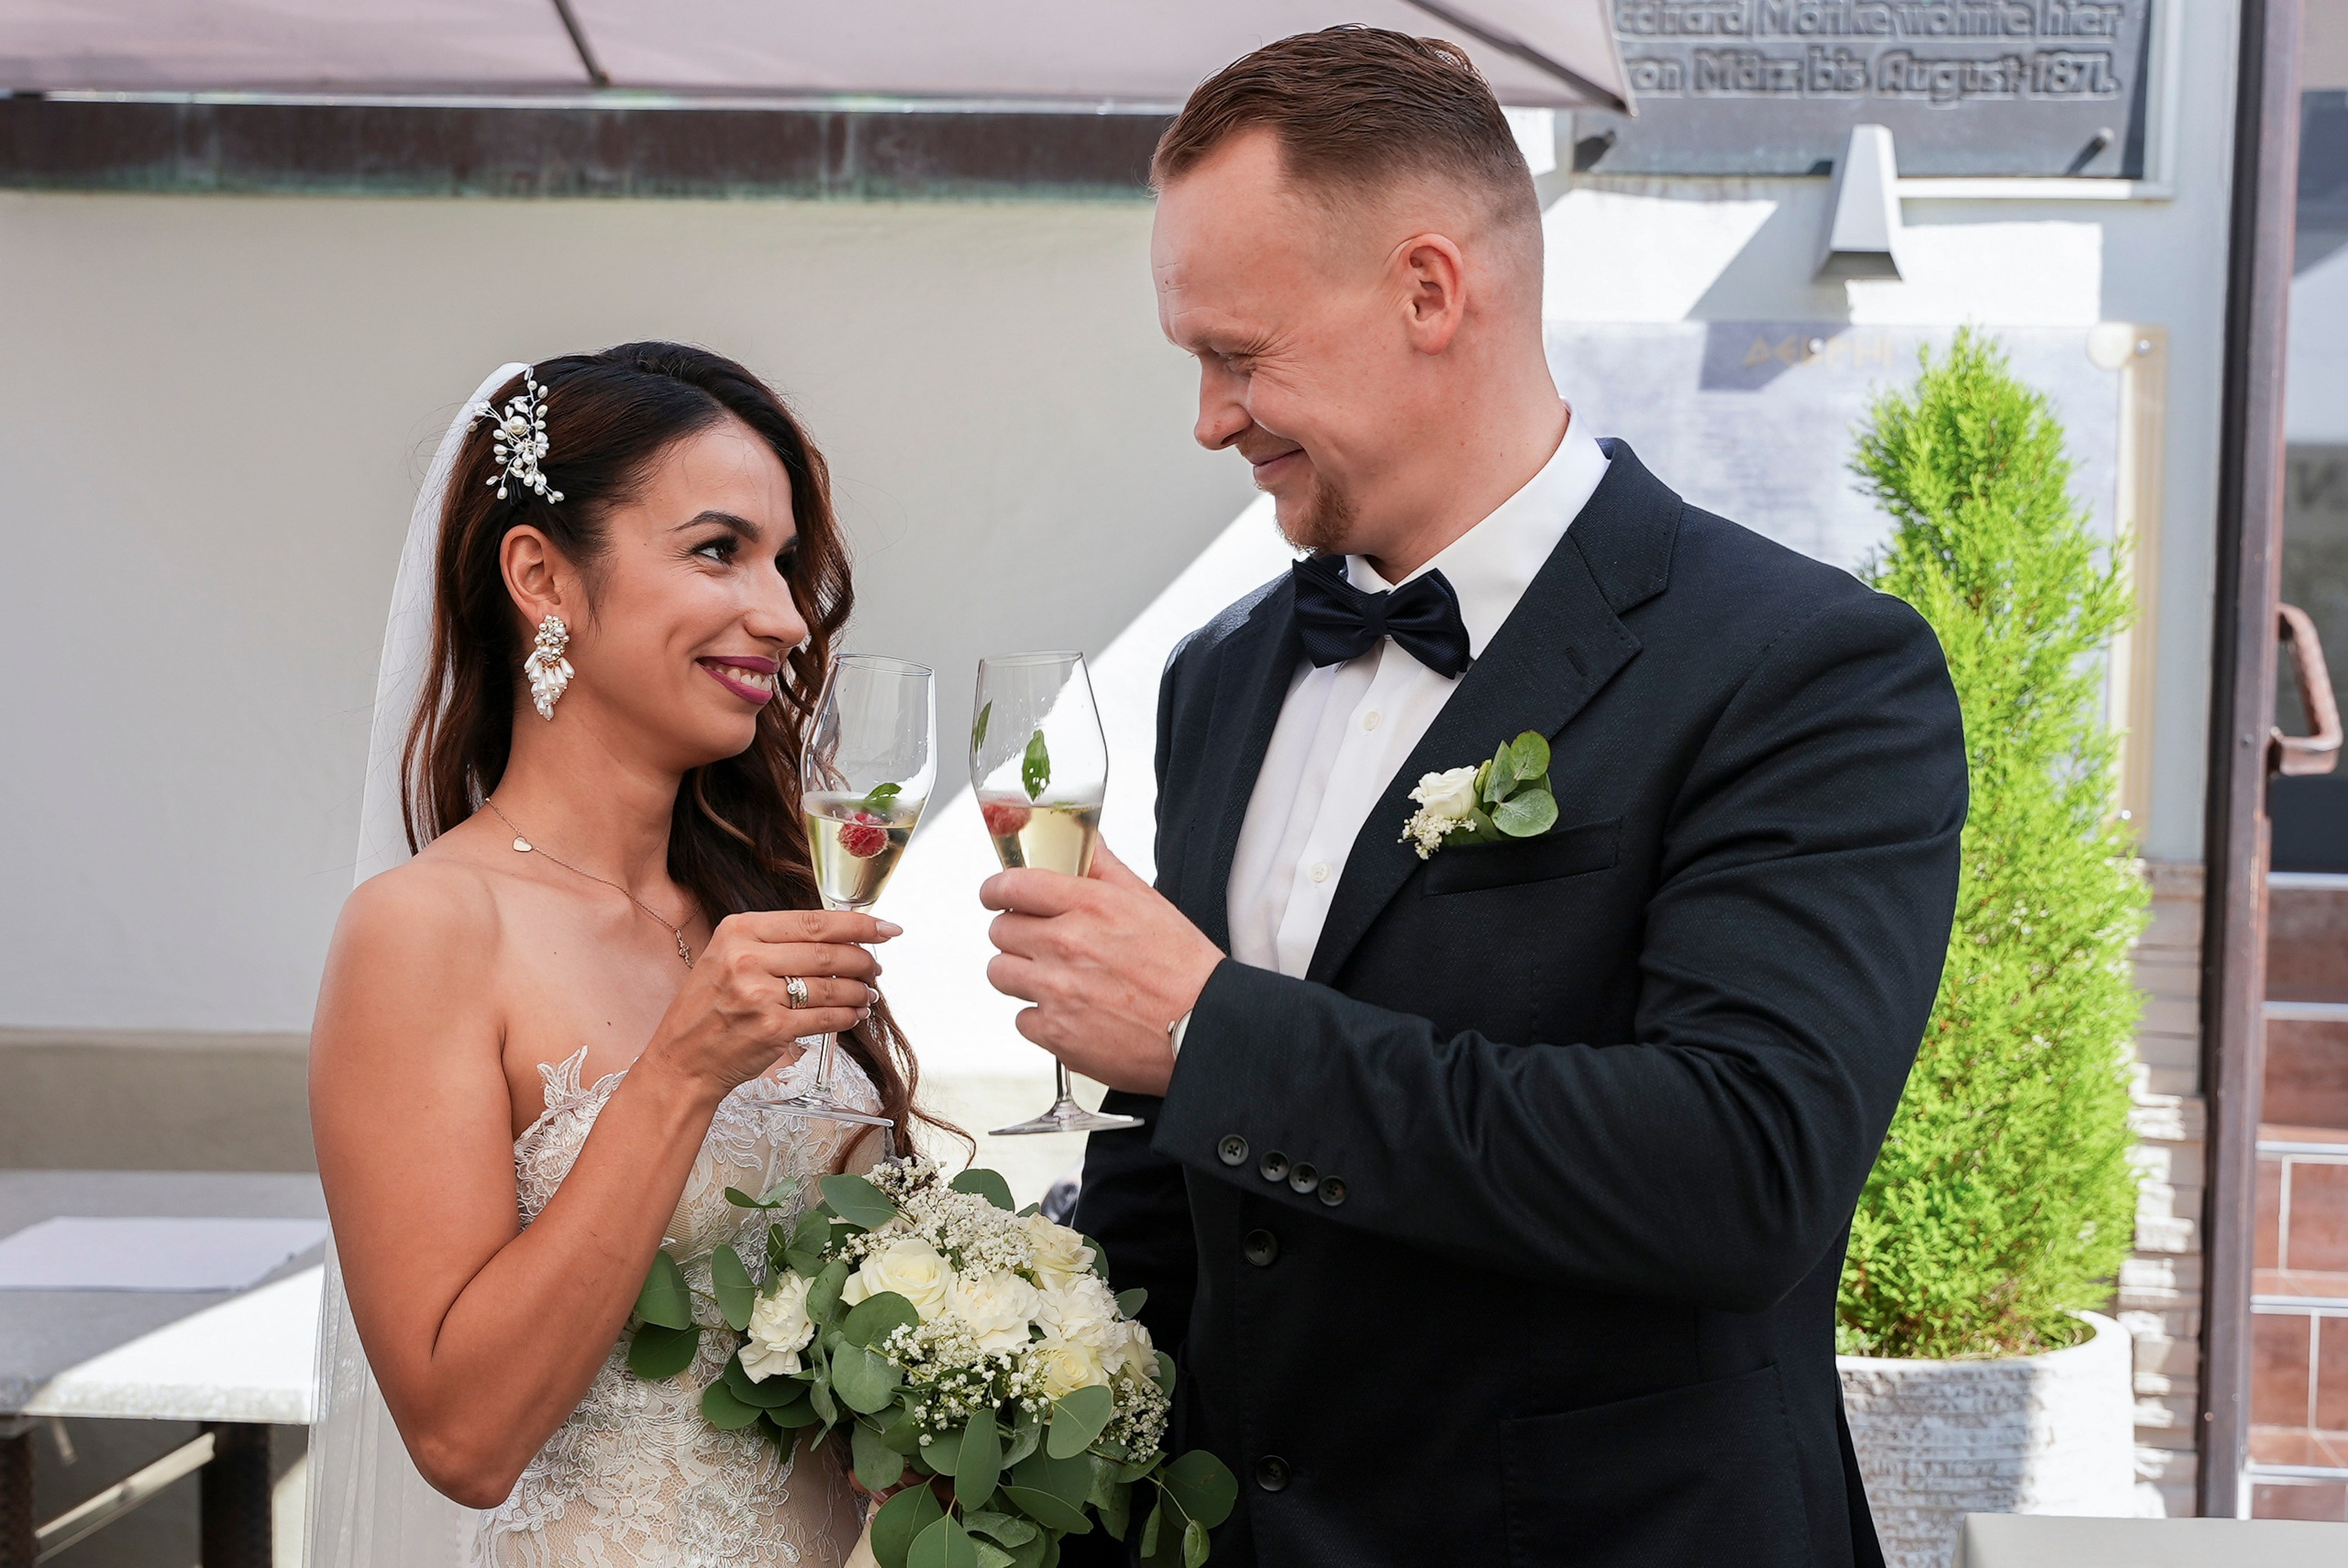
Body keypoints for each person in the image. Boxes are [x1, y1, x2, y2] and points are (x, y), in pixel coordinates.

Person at [979, 28, 1966, 1568]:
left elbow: (1744, 1171)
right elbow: (1182, 1173)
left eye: (1238, 354)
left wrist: (1208, 1026)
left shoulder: (1804, 667)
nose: (1211, 417)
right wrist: (1000, 1401)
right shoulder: (1218, 675)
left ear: (1430, 292)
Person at [309, 343, 932, 1567]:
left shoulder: (761, 897)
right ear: (541, 575)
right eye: (719, 549)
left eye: (784, 562)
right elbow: (464, 1437)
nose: (784, 615)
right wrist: (680, 1073)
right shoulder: (428, 929)